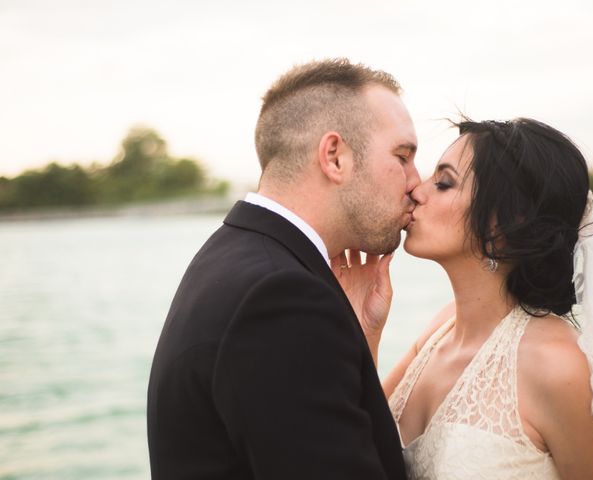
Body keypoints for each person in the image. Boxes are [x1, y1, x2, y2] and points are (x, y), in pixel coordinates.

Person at [146, 58, 420, 479]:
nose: (415, 182)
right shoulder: (282, 298)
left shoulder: (232, 255)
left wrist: (358, 340)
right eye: (402, 156)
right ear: (335, 157)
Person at [337, 118, 593, 479]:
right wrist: (366, 331)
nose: (417, 190)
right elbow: (355, 443)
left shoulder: (558, 365)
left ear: (503, 224)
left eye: (444, 183)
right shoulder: (438, 330)